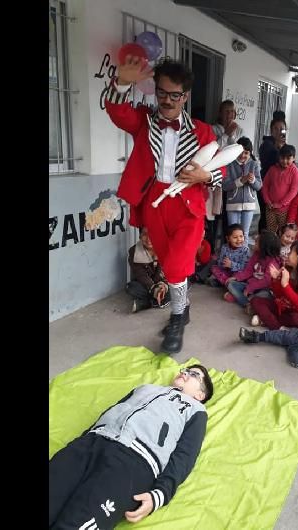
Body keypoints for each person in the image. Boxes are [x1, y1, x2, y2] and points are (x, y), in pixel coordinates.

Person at [104, 57, 226, 354]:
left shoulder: (202, 131)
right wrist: (122, 82)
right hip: (154, 204)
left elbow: (220, 169)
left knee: (175, 265)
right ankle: (183, 309)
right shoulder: (145, 122)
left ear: (185, 96)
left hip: (188, 205)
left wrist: (204, 176)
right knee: (167, 261)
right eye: (161, 92)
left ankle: (177, 317)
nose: (167, 100)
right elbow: (118, 113)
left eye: (174, 95)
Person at [49, 365, 214, 529]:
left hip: (135, 461)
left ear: (200, 395)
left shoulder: (196, 410)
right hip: (92, 441)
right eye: (184, 370)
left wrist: (161, 493)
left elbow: (185, 455)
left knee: (77, 522)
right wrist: (83, 439)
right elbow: (110, 411)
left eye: (193, 374)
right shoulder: (146, 388)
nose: (184, 373)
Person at [248, 240, 298, 330]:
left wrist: (285, 284)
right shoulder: (288, 269)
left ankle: (265, 319)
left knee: (297, 320)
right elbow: (278, 294)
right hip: (281, 306)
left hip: (294, 311)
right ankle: (277, 327)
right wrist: (275, 279)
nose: (287, 254)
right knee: (255, 301)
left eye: (290, 252)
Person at [225, 229, 282, 307]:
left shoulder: (273, 262)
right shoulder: (256, 254)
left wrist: (250, 288)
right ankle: (247, 303)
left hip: (263, 288)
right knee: (231, 284)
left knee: (265, 295)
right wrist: (236, 278)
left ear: (263, 246)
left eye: (256, 243)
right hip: (249, 284)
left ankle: (243, 299)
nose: (254, 244)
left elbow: (266, 281)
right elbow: (248, 270)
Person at [222, 137, 262, 240]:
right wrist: (240, 181)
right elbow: (225, 186)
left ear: (250, 153)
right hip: (232, 204)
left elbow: (259, 186)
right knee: (233, 233)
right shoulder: (229, 164)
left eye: (246, 153)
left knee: (245, 233)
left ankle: (244, 251)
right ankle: (232, 251)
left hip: (249, 205)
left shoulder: (254, 164)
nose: (243, 155)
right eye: (240, 152)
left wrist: (253, 180)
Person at [126, 226, 169, 312]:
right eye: (145, 234)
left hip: (163, 281)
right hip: (146, 284)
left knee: (177, 285)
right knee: (131, 287)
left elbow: (165, 271)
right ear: (140, 236)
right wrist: (155, 290)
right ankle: (160, 300)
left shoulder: (164, 247)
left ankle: (147, 303)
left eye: (152, 234)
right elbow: (141, 275)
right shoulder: (133, 252)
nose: (149, 239)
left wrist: (162, 286)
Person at [257, 112, 288, 231]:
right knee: (266, 217)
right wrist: (278, 148)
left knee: (280, 219)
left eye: (282, 129)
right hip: (267, 186)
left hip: (281, 188)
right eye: (276, 128)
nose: (279, 131)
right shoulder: (266, 144)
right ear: (271, 130)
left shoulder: (286, 147)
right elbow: (269, 163)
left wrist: (282, 148)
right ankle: (263, 239)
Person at [261, 144, 298, 235]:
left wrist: (280, 204)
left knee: (283, 233)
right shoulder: (272, 169)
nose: (285, 161)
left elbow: (293, 191)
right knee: (270, 232)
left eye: (288, 158)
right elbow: (265, 186)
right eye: (282, 158)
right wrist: (268, 201)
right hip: (270, 208)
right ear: (279, 157)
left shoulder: (296, 172)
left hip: (285, 209)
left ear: (294, 158)